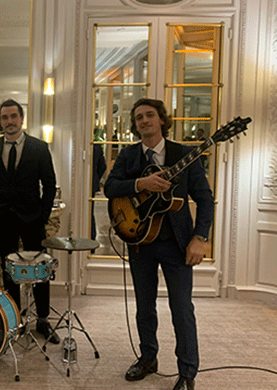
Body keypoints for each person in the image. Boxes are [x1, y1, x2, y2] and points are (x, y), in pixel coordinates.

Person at [104, 98, 214, 390]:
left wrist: (200, 238)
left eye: (149, 115)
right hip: (140, 240)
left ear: (162, 120)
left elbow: (205, 199)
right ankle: (148, 358)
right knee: (144, 307)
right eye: (138, 117)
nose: (144, 120)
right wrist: (141, 184)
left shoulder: (184, 154)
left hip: (177, 244)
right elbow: (110, 187)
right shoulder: (128, 155)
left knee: (182, 309)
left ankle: (187, 372)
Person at [0, 99, 59, 344]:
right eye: (5, 117)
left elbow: (50, 185)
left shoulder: (39, 147)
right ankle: (14, 320)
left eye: (13, 116)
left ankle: (42, 319)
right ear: (0, 121)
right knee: (9, 271)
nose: (9, 121)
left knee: (40, 270)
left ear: (22, 119)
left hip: (33, 218)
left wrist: (43, 215)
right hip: (3, 218)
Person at [91, 143, 107, 242]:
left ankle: (91, 236)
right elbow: (103, 166)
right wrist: (96, 178)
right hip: (92, 183)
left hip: (84, 183)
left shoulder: (95, 146)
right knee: (90, 212)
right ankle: (92, 237)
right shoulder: (96, 147)